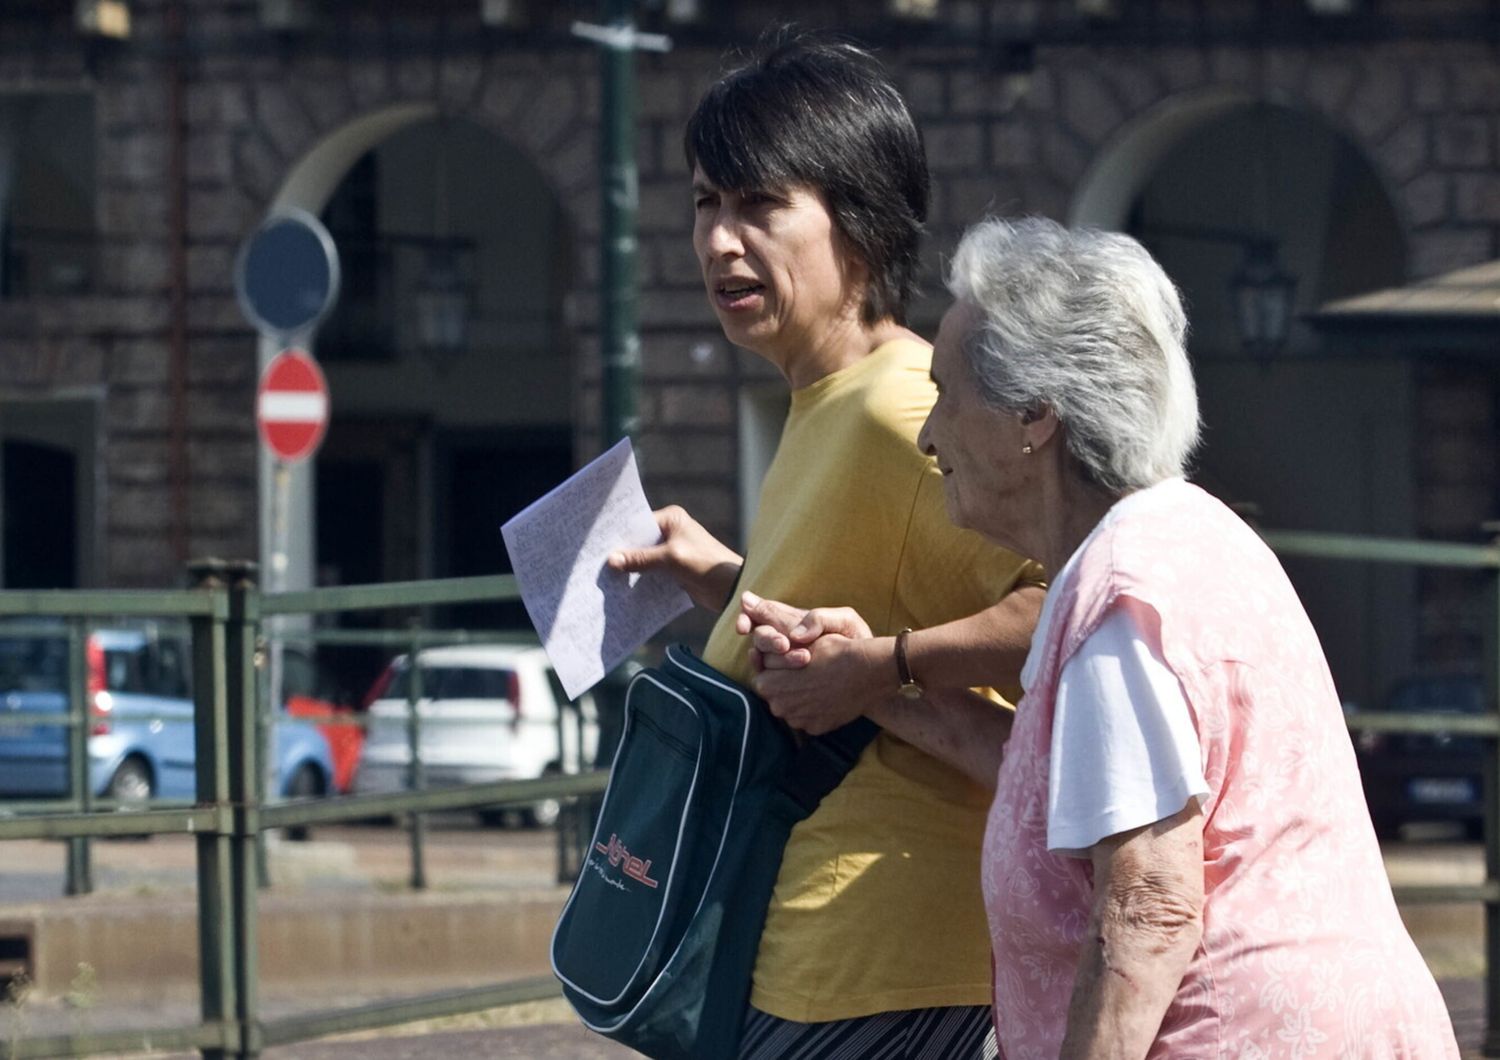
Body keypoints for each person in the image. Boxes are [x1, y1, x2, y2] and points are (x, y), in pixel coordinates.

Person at [741, 216, 1461, 1056]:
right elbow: (1049, 779)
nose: (930, 435)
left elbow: (1149, 910)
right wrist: (863, 677)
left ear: (1034, 417)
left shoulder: (1121, 595)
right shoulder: (1187, 535)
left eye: (947, 395)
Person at [606, 34, 1044, 1059]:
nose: (719, 241)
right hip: (812, 952)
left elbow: (1078, 602)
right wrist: (722, 575)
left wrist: (886, 669)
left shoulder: (902, 409)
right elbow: (866, 596)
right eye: (707, 202)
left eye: (760, 206)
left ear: (859, 224)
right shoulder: (824, 400)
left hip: (880, 971)